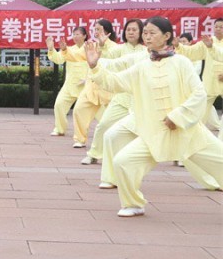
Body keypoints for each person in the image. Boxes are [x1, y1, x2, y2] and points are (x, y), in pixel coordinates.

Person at [85, 17, 223, 217]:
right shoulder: (142, 66)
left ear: (167, 36)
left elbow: (199, 94)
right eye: (145, 33)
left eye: (152, 33)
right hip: (154, 134)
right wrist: (94, 67)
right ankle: (133, 203)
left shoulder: (182, 63)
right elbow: (114, 83)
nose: (147, 37)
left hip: (189, 133)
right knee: (123, 161)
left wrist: (177, 117)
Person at [83, 19, 147, 166]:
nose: (131, 32)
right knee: (104, 125)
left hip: (140, 99)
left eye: (134, 30)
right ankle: (94, 154)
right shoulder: (119, 49)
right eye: (128, 29)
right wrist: (103, 46)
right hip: (121, 96)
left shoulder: (145, 51)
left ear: (141, 33)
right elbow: (105, 59)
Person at [70, 19, 118, 149]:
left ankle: (114, 142)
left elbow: (114, 64)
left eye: (99, 29)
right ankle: (80, 139)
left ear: (107, 31)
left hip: (108, 87)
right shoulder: (91, 45)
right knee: (78, 110)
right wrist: (61, 50)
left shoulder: (115, 47)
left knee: (111, 119)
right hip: (91, 86)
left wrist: (103, 46)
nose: (96, 32)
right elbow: (75, 55)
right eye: (95, 29)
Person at [176, 18, 223, 135]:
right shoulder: (206, 42)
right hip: (209, 83)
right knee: (199, 113)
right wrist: (179, 46)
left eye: (221, 27)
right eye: (216, 26)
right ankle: (193, 138)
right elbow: (191, 52)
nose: (218, 29)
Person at [46, 27, 88, 141]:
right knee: (59, 105)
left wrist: (89, 78)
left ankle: (104, 129)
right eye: (74, 34)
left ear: (84, 36)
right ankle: (60, 129)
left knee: (90, 112)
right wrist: (51, 49)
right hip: (70, 84)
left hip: (87, 86)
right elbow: (58, 59)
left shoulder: (89, 48)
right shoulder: (68, 49)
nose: (75, 36)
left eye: (78, 34)